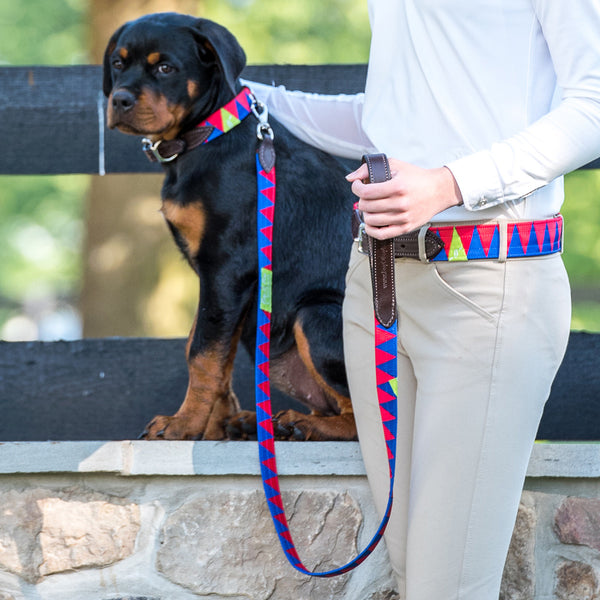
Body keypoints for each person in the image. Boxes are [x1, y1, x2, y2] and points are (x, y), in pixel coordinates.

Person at [246, 1, 600, 597]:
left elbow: (594, 105)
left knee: (448, 584)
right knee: (413, 571)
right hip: (375, 285)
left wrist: (449, 184)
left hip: (490, 282)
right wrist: (252, 99)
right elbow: (388, 117)